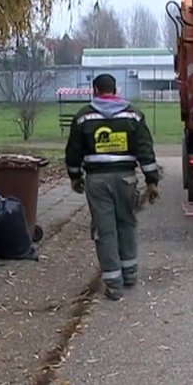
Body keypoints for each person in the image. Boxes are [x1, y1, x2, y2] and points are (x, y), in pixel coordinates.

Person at [64, 74, 160, 301]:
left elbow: (73, 152)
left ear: (95, 89)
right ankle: (130, 275)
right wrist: (152, 181)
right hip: (126, 179)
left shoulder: (83, 117)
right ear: (115, 89)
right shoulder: (133, 115)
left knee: (105, 230)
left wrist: (75, 177)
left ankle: (114, 285)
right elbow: (145, 150)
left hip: (96, 182)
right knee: (126, 224)